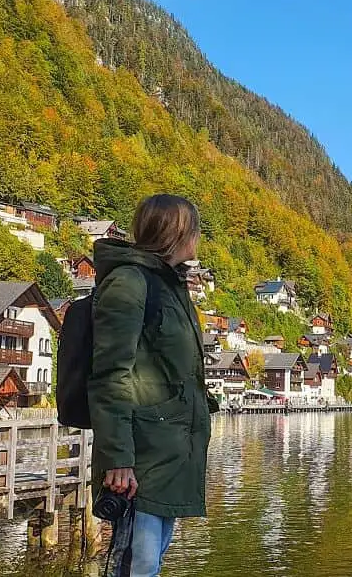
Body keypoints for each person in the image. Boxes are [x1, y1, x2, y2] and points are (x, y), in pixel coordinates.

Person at [88, 194, 212, 576]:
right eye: (194, 229)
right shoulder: (131, 282)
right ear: (177, 233)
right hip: (140, 458)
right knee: (135, 566)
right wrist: (118, 458)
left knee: (148, 564)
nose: (198, 237)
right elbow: (110, 372)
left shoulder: (170, 286)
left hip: (168, 452)